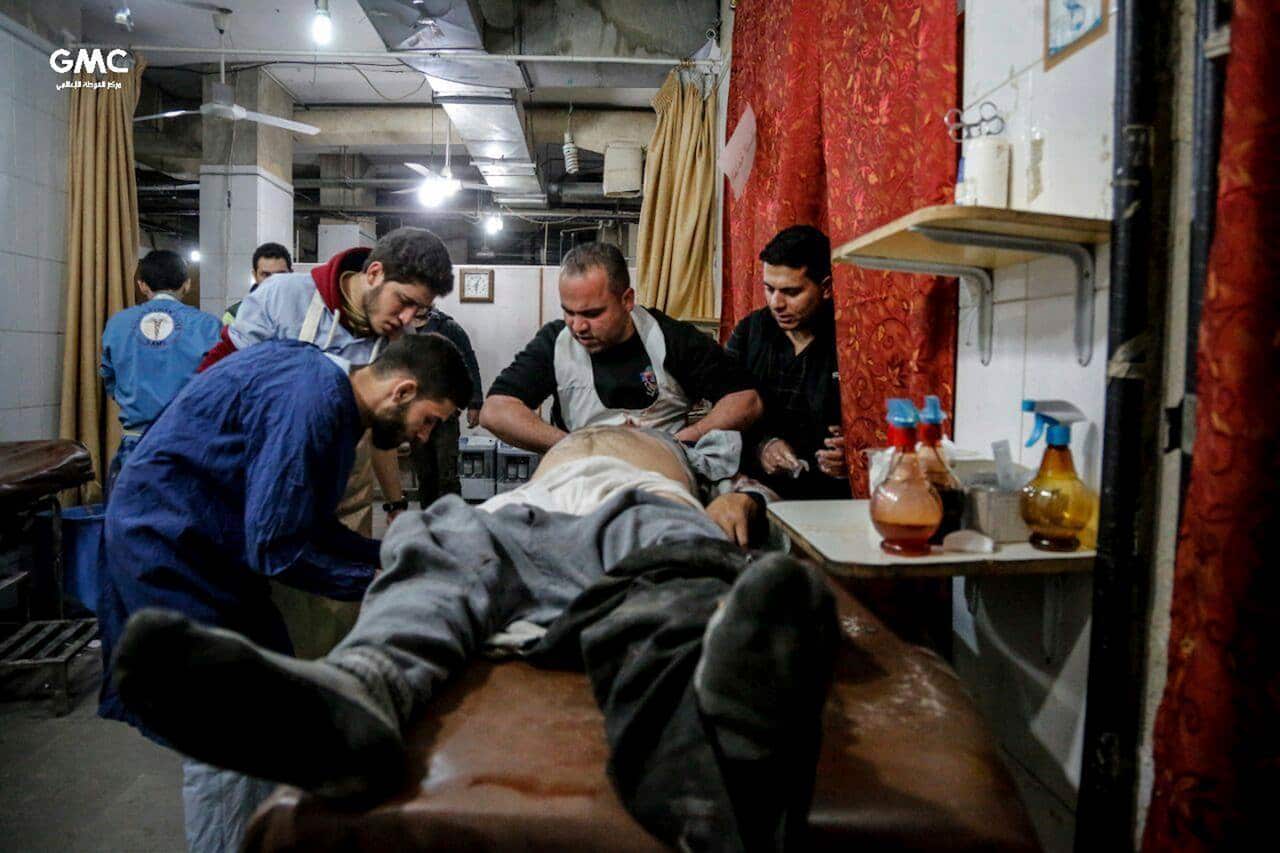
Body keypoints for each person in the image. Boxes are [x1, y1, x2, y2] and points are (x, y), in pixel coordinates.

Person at [110, 425, 839, 852]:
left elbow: (750, 467)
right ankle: (359, 699)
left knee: (677, 570)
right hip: (519, 512)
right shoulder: (556, 415)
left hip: (641, 503)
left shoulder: (682, 439)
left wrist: (743, 490)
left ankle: (697, 740)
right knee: (435, 538)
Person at [98, 333, 474, 853]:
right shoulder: (313, 401)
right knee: (225, 733)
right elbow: (277, 548)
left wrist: (397, 555)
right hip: (171, 544)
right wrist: (387, 581)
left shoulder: (332, 401)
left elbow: (308, 526)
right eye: (430, 419)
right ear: (403, 391)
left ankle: (264, 832)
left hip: (210, 545)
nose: (425, 436)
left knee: (270, 698)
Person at [200, 227, 454, 657]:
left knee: (325, 642)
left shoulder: (395, 344)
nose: (408, 319)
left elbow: (382, 434)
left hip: (340, 502)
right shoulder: (284, 297)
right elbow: (216, 380)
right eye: (405, 302)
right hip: (250, 491)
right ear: (374, 273)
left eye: (421, 311)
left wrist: (394, 507)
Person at [481, 242, 763, 453]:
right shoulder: (555, 343)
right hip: (581, 477)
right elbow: (495, 410)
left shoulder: (671, 339)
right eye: (569, 312)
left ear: (627, 300)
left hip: (658, 473)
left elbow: (745, 400)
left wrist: (688, 438)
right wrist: (574, 446)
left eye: (592, 314)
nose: (578, 326)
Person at [726, 225, 849, 500]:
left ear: (826, 287)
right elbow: (723, 407)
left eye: (791, 292)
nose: (776, 303)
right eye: (769, 289)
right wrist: (762, 446)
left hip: (827, 499)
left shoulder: (850, 342)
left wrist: (853, 457)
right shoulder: (750, 332)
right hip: (755, 488)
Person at [100, 250, 222, 499]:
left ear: (142, 285)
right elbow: (222, 386)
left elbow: (109, 380)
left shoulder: (118, 324)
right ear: (187, 283)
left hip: (136, 445)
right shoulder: (208, 326)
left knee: (132, 528)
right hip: (190, 445)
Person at [410, 307, 483, 507]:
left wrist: (475, 403)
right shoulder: (402, 327)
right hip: (415, 416)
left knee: (447, 474)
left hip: (445, 415)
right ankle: (428, 522)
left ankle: (453, 523)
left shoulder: (448, 328)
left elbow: (469, 363)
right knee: (424, 474)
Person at [221, 241, 293, 325]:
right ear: (255, 275)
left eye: (280, 275)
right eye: (266, 275)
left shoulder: (305, 312)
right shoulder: (235, 315)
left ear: (291, 274)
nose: (273, 281)